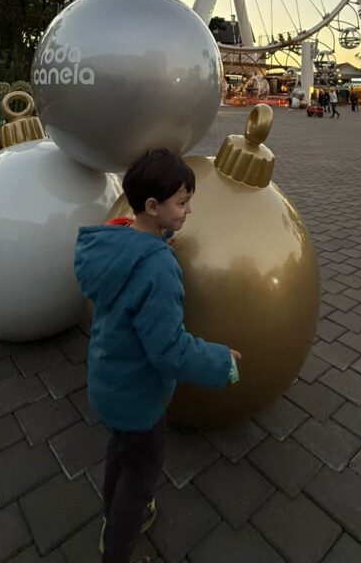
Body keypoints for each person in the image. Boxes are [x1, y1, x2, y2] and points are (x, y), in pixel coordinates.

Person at [74, 149, 240, 563]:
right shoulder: (158, 269)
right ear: (153, 206)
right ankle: (117, 544)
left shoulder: (114, 240)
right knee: (140, 473)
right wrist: (224, 362)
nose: (189, 211)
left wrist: (159, 238)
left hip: (109, 380)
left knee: (120, 453)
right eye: (181, 202)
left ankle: (112, 514)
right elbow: (169, 350)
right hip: (139, 395)